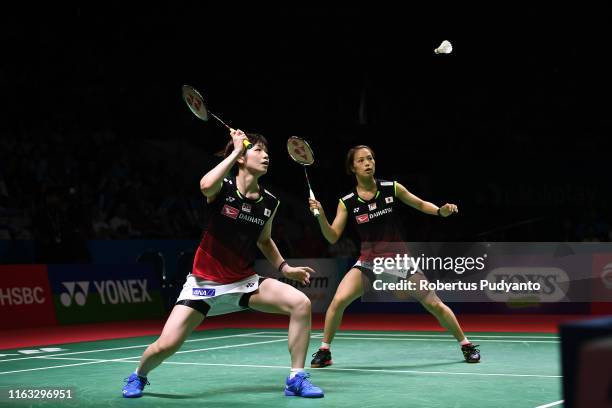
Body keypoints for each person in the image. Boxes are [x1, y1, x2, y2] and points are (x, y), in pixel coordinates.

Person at [122, 130, 324, 398]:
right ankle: (138, 375)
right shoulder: (223, 189)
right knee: (165, 346)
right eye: (258, 151)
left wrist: (285, 268)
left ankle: (296, 378)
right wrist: (235, 151)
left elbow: (265, 241)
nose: (265, 156)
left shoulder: (270, 203)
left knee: (301, 303)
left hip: (243, 283)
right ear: (241, 157)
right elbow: (205, 185)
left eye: (267, 152)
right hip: (203, 285)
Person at [308, 145, 480, 368]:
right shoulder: (347, 202)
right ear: (352, 168)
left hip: (398, 261)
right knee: (338, 301)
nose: (368, 163)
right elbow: (332, 237)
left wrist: (439, 211)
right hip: (368, 263)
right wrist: (321, 216)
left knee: (434, 304)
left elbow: (419, 203)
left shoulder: (391, 188)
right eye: (361, 160)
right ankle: (325, 351)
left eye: (370, 158)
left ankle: (466, 345)